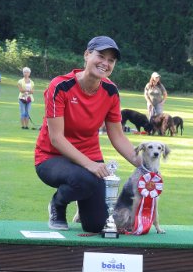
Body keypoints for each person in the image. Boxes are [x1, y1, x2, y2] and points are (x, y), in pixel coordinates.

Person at [35, 36, 142, 232]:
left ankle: (83, 200)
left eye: (111, 60)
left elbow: (118, 136)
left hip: (90, 161)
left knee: (97, 225)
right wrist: (90, 165)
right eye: (100, 56)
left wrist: (143, 164)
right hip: (51, 158)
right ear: (86, 55)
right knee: (85, 179)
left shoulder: (111, 91)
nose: (105, 63)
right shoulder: (60, 86)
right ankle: (58, 204)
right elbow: (56, 138)